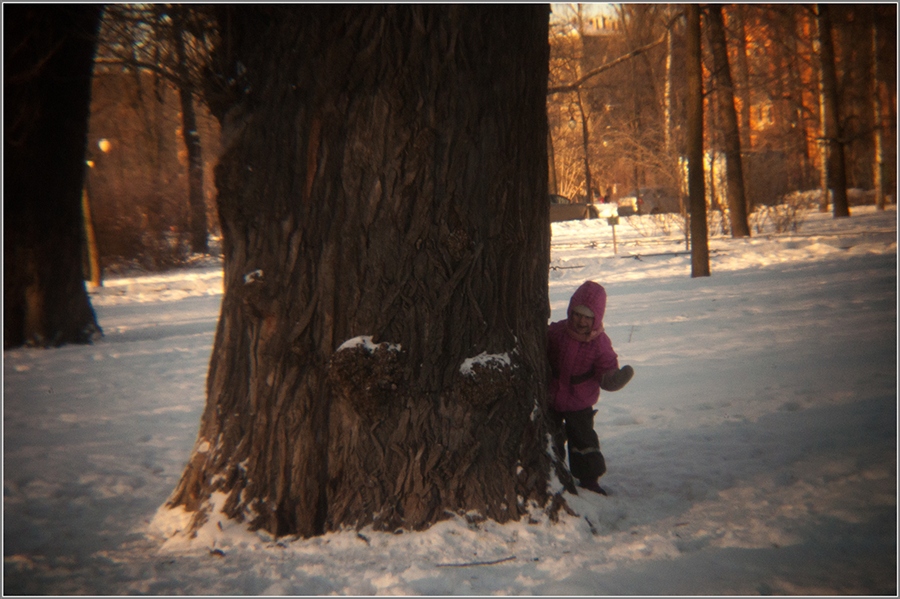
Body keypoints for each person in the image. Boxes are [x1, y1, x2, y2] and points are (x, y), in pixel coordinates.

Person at [547, 280, 633, 496]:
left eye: (587, 317)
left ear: (596, 318)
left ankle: (589, 478)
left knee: (583, 440)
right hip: (553, 396)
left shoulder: (600, 343)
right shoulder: (558, 331)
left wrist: (612, 379)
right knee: (551, 436)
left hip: (580, 400)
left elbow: (606, 365)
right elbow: (542, 342)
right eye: (577, 314)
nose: (581, 321)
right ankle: (552, 472)